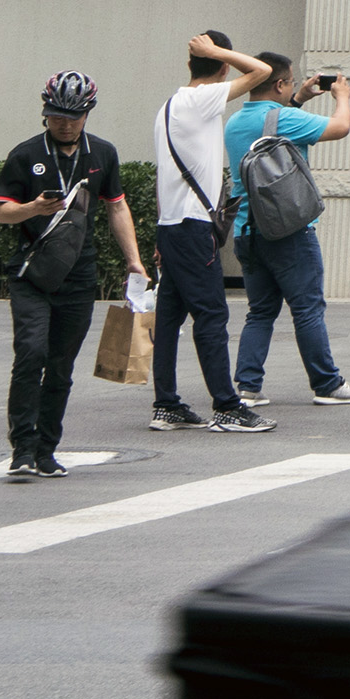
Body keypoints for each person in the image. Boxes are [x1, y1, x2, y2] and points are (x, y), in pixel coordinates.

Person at [0, 68, 149, 479]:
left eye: (73, 117)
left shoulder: (102, 154)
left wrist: (133, 259)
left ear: (87, 114)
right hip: (31, 272)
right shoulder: (26, 154)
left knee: (61, 365)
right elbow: (3, 212)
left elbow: (117, 206)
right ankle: (22, 449)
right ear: (45, 113)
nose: (64, 124)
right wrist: (33, 208)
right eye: (57, 116)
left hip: (78, 276)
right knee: (31, 353)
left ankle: (46, 450)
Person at [147, 30, 288, 434]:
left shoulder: (170, 105)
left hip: (173, 225)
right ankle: (227, 407)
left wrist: (161, 233)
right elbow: (261, 71)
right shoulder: (201, 98)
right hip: (193, 228)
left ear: (189, 64)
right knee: (211, 315)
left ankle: (167, 404)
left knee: (170, 318)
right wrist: (217, 51)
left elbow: (164, 175)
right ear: (223, 67)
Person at [227, 50, 350, 413]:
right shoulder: (286, 118)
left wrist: (300, 97)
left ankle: (248, 387)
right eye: (290, 82)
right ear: (279, 84)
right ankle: (327, 383)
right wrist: (342, 97)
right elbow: (340, 127)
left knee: (260, 311)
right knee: (307, 308)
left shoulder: (235, 122)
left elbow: (271, 126)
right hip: (289, 231)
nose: (292, 87)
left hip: (247, 230)